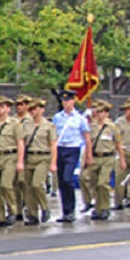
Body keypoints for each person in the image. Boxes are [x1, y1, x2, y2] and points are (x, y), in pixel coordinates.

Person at [52, 90, 92, 222]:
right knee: (62, 182)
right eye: (64, 101)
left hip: (73, 149)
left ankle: (71, 209)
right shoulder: (57, 117)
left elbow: (87, 138)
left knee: (68, 179)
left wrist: (88, 155)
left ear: (73, 101)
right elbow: (54, 137)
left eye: (68, 100)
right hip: (60, 149)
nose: (66, 103)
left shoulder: (80, 119)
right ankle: (66, 211)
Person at [85, 101, 125, 220]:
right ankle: (97, 207)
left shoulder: (112, 127)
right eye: (98, 112)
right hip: (95, 157)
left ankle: (105, 207)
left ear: (107, 113)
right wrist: (88, 157)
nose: (99, 114)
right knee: (94, 183)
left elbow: (118, 144)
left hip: (107, 157)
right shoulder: (92, 126)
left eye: (102, 112)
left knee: (103, 183)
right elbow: (88, 143)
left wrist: (122, 159)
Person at [0, 97, 24, 227]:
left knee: (6, 184)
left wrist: (20, 161)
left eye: (3, 107)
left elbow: (20, 143)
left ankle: (13, 211)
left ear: (8, 109)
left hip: (10, 156)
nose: (0, 109)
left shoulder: (15, 124)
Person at [23, 99, 57, 225]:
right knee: (28, 187)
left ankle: (44, 207)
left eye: (36, 109)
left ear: (42, 110)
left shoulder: (48, 126)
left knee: (37, 184)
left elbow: (53, 145)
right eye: (31, 110)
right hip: (29, 157)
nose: (33, 112)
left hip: (43, 157)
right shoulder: (27, 124)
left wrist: (53, 163)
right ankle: (32, 214)